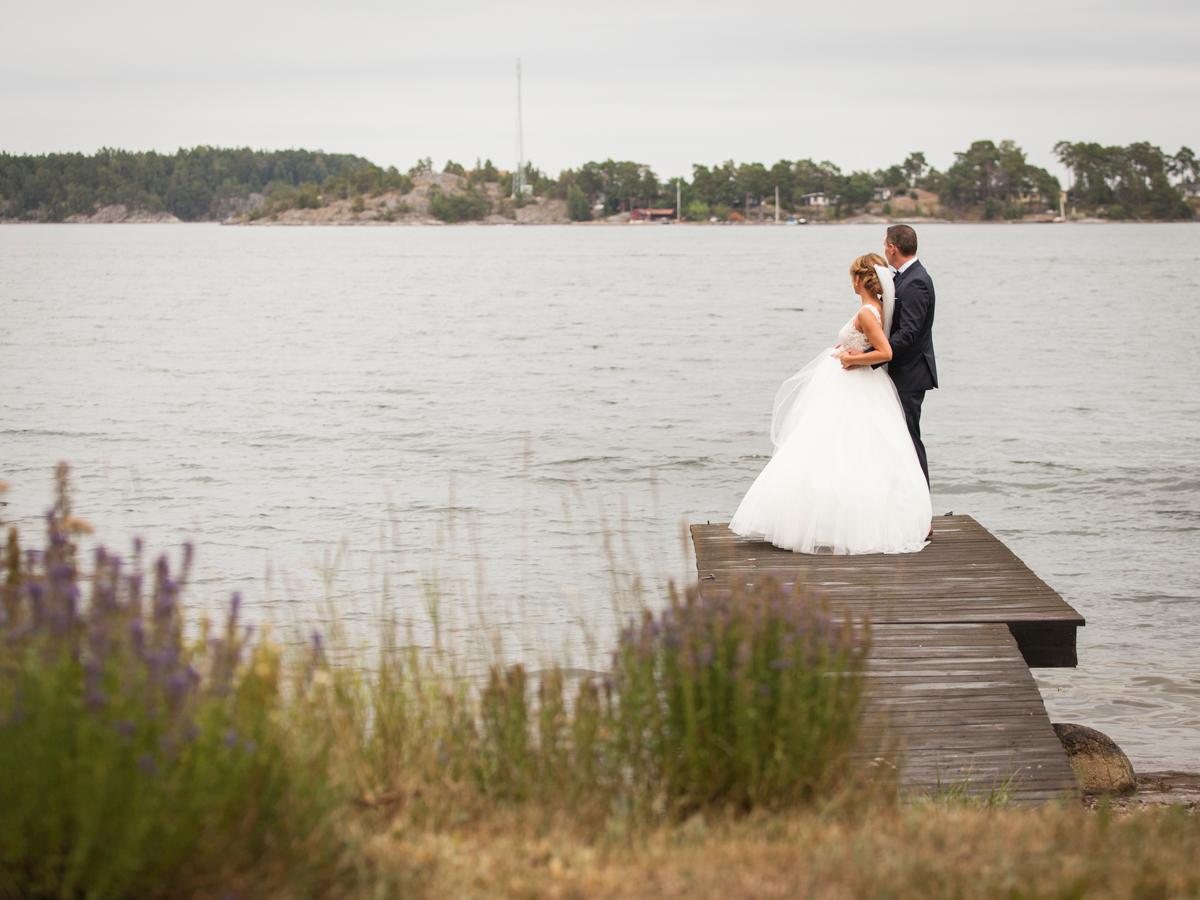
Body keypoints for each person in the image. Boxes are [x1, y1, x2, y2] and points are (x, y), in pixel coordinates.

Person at [729, 253, 931, 554]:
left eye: (852, 277)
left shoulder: (866, 312)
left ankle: (827, 523)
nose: (851, 282)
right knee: (853, 452)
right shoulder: (874, 309)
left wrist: (853, 359)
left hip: (855, 383)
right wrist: (848, 348)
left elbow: (885, 352)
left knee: (833, 448)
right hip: (857, 385)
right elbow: (867, 341)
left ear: (860, 279)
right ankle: (840, 520)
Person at [842, 224, 937, 487]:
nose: (885, 248)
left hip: (910, 375)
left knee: (908, 440)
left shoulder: (916, 281)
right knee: (894, 442)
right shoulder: (900, 279)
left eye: (885, 244)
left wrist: (866, 355)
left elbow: (908, 335)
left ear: (892, 247)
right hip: (896, 372)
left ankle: (921, 511)